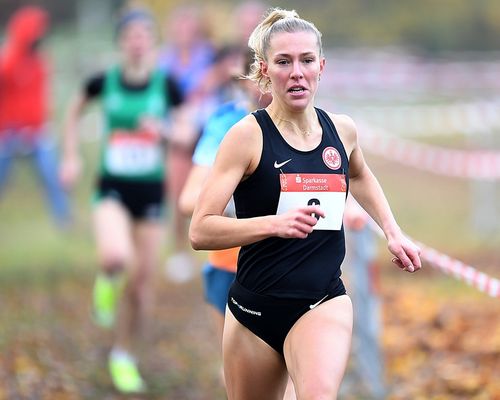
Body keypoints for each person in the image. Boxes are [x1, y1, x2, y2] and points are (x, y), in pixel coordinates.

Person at [189, 8, 421, 400]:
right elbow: (200, 229)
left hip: (322, 301)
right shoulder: (246, 137)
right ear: (265, 70)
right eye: (284, 62)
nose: (297, 72)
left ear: (321, 66)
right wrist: (273, 224)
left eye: (306, 60)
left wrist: (393, 232)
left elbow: (360, 174)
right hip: (254, 311)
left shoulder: (341, 131)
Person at [59, 8, 183, 394]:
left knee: (143, 287)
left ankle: (124, 355)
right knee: (116, 257)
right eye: (130, 35)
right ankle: (107, 280)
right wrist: (71, 155)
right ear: (121, 42)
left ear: (153, 42)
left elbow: (184, 132)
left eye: (144, 35)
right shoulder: (103, 81)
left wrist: (163, 129)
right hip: (112, 187)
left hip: (150, 193)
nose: (137, 41)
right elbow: (73, 110)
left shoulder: (167, 85)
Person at [179, 48, 269, 388]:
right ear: (245, 81)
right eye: (259, 74)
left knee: (291, 377)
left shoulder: (312, 124)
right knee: (240, 378)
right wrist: (241, 204)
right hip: (232, 269)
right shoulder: (224, 124)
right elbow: (189, 200)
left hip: (290, 270)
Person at [0, 6, 71, 228]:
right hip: (8, 132)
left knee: (51, 172)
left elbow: (43, 97)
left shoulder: (41, 61)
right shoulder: (7, 63)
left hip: (36, 132)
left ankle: (63, 219)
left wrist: (44, 124)